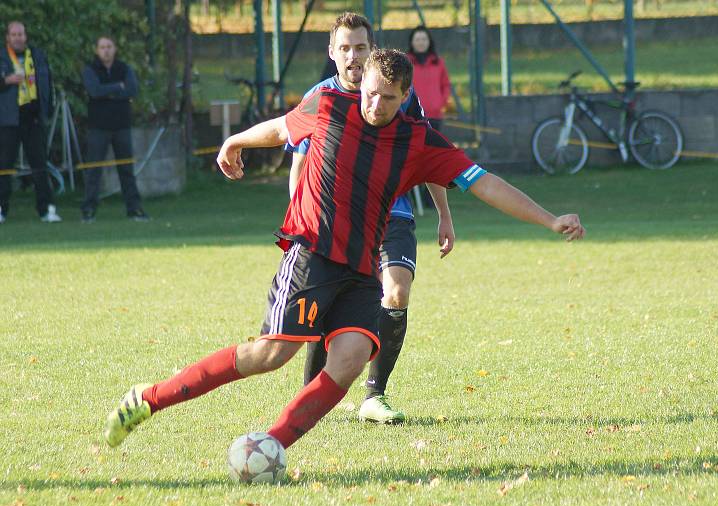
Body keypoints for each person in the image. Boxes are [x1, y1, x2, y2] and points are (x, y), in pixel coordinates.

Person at [103, 48, 585, 455]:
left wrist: (549, 218)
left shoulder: (417, 140)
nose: (375, 104)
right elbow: (279, 129)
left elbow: (485, 183)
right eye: (371, 92)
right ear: (362, 81)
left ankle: (269, 447)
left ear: (405, 98)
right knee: (271, 355)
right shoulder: (330, 103)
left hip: (360, 269)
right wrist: (234, 141)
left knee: (351, 357)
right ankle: (148, 398)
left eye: (388, 98)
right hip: (312, 254)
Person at [288, 12, 455, 425]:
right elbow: (298, 164)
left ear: (373, 48)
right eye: (344, 48)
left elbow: (430, 157)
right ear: (332, 53)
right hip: (334, 223)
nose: (353, 56)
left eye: (360, 47)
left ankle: (374, 395)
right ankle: (312, 395)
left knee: (397, 293)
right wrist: (300, 226)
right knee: (325, 306)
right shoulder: (320, 97)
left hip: (393, 213)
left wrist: (444, 216)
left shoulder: (400, 94)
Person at [80, 36, 149, 223]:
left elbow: (132, 90)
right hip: (98, 128)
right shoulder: (90, 69)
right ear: (97, 50)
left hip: (121, 127)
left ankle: (134, 209)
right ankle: (88, 210)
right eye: (102, 47)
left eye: (109, 46)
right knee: (93, 170)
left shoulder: (124, 68)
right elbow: (94, 91)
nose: (106, 50)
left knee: (126, 169)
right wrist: (117, 87)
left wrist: (107, 92)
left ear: (115, 48)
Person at [0, 21, 60, 223]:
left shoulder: (37, 55)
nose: (18, 37)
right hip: (8, 119)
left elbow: (48, 82)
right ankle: (1, 209)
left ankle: (47, 210)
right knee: (4, 166)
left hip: (33, 118)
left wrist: (48, 109)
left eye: (21, 34)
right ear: (7, 37)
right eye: (14, 34)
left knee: (40, 164)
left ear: (26, 36)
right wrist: (5, 81)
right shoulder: (2, 56)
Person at [407, 25, 450, 132]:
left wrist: (440, 103)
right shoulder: (405, 62)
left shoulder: (438, 62)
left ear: (429, 41)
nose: (421, 42)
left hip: (435, 116)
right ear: (412, 42)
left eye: (424, 39)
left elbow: (445, 85)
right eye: (417, 39)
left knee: (434, 148)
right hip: (412, 116)